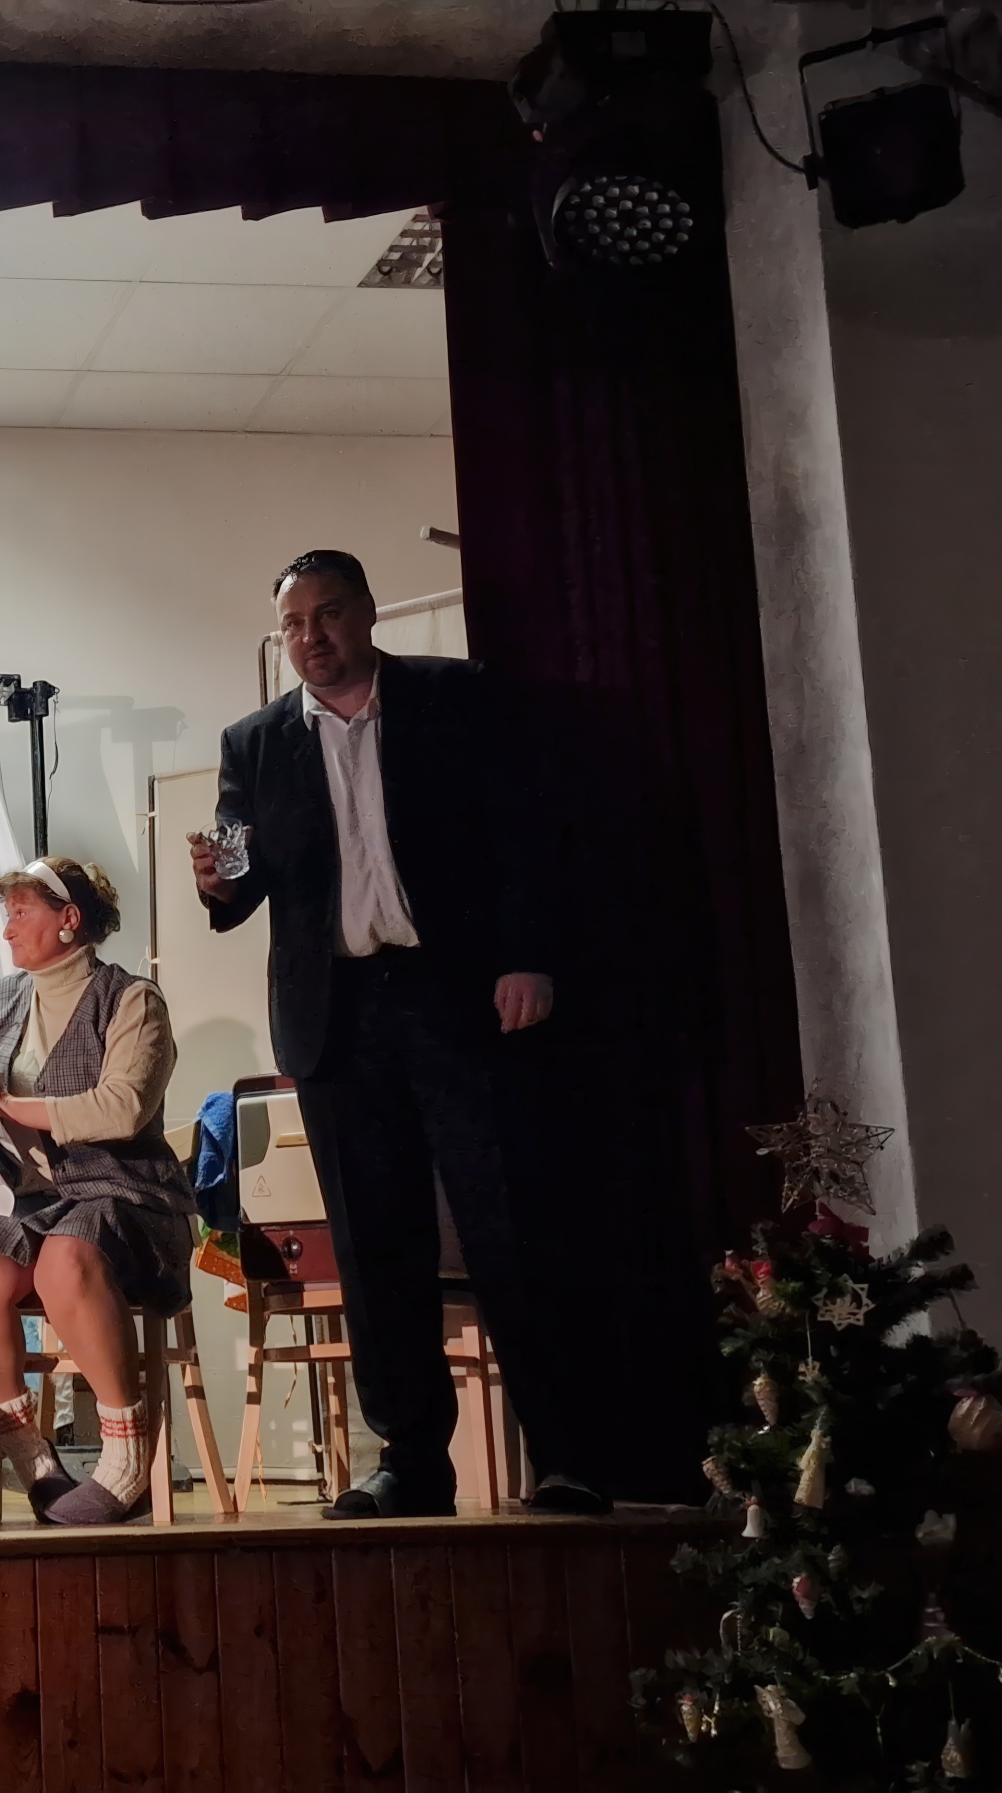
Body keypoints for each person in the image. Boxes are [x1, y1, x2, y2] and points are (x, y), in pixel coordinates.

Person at [190, 548, 620, 1519]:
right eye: (294, 624)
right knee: (374, 1244)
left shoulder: (455, 696)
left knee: (510, 1225)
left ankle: (566, 1454)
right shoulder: (254, 742)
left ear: (369, 612)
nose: (311, 636)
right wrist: (216, 883)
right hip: (336, 1016)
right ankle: (411, 1459)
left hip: (457, 995)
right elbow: (241, 877)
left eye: (328, 614)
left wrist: (528, 955)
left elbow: (525, 834)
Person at [0, 856, 199, 1525]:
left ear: (69, 919)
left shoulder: (132, 1000)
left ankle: (126, 1456)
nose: (9, 926)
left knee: (65, 1260)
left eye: (23, 910)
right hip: (33, 1201)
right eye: (8, 911)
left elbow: (123, 1105)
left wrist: (11, 1105)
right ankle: (35, 1460)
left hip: (124, 1193)